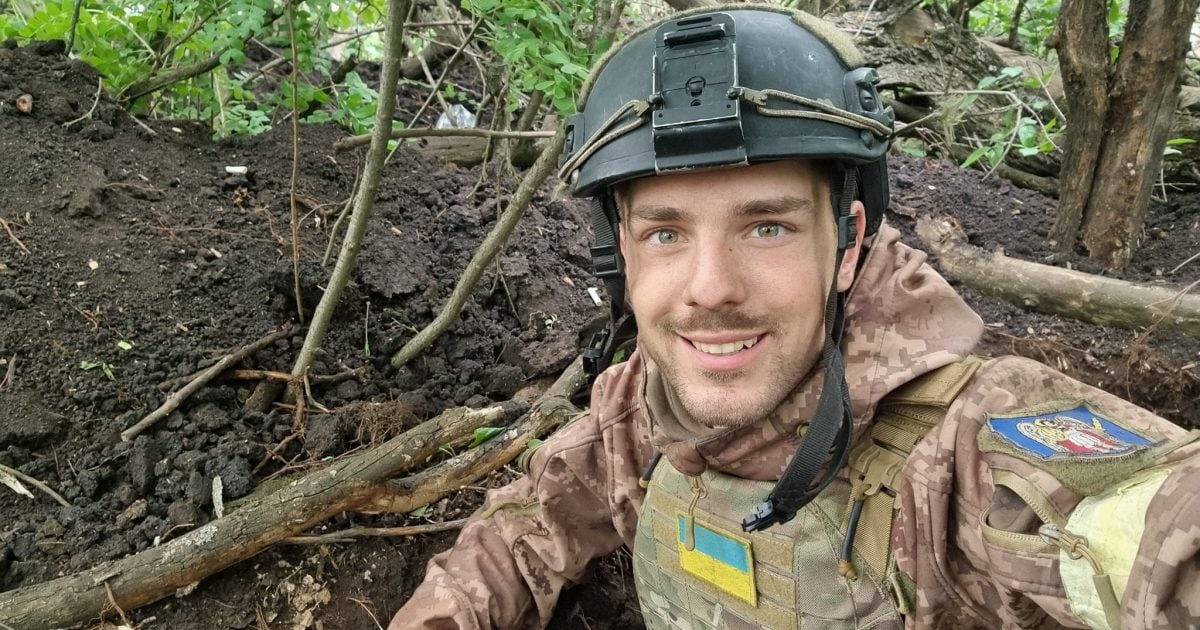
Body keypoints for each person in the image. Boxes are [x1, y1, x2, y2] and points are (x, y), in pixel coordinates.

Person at [390, 7, 1200, 629]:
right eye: (666, 234)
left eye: (766, 227)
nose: (710, 289)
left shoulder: (966, 452)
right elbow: (527, 528)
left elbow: (1155, 533)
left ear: (846, 245)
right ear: (623, 257)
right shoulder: (641, 407)